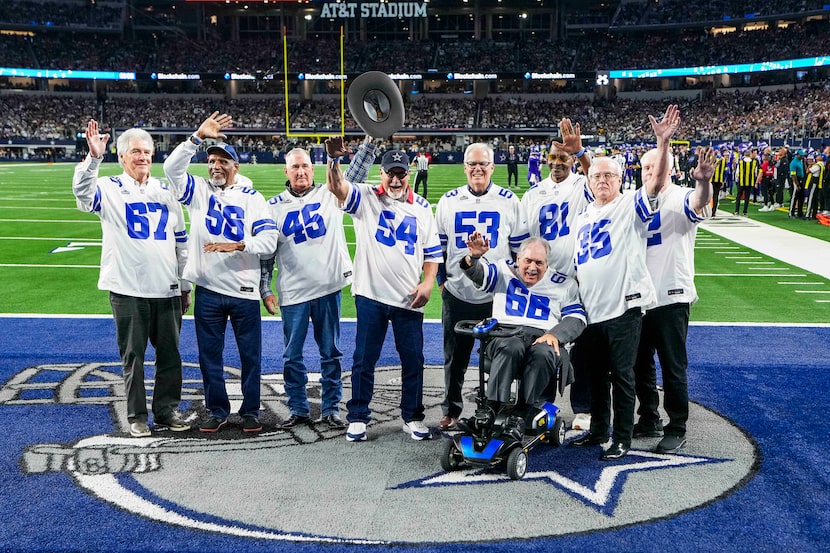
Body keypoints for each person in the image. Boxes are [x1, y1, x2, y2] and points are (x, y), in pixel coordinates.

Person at [569, 104, 678, 461]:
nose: (602, 180)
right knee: (596, 376)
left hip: (623, 306)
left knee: (622, 376)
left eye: (609, 176)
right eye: (596, 176)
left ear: (620, 180)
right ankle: (599, 430)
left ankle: (622, 437)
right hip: (592, 309)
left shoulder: (630, 205)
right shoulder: (584, 215)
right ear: (588, 182)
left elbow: (656, 183)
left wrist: (662, 144)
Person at [72, 120, 191, 438]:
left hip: (166, 288)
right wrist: (93, 158)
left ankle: (166, 411)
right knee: (134, 357)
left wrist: (185, 285)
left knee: (170, 356)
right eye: (136, 151)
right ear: (122, 156)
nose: (143, 157)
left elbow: (181, 242)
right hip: (127, 289)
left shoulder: (167, 192)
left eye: (147, 152)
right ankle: (137, 416)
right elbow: (82, 193)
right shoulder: (109, 187)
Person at [163, 112, 278, 434]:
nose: (215, 166)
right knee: (209, 357)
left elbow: (269, 240)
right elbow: (171, 168)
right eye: (211, 160)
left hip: (244, 290)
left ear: (235, 167)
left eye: (222, 161)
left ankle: (251, 411)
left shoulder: (253, 198)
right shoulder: (198, 191)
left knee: (250, 356)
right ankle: (217, 410)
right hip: (209, 290)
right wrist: (197, 138)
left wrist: (239, 245)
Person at [325, 135, 442, 442]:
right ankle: (358, 417)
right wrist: (333, 161)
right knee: (364, 359)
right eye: (390, 173)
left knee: (414, 360)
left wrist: (428, 282)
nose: (396, 179)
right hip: (371, 295)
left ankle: (412, 417)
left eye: (401, 173)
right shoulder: (366, 196)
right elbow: (337, 188)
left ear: (408, 174)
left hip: (409, 298)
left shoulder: (423, 207)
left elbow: (432, 253)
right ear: (381, 173)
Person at [434, 143, 529, 431]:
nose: (478, 169)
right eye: (472, 164)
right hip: (458, 292)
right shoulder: (448, 201)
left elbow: (519, 250)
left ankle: (497, 408)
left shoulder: (509, 200)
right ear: (464, 167)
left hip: (496, 294)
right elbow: (438, 249)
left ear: (492, 167)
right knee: (455, 357)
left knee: (502, 354)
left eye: (483, 164)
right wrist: (442, 283)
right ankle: (451, 409)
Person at [259, 147, 352, 430]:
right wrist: (265, 288)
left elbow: (357, 173)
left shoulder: (330, 193)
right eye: (295, 167)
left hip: (327, 287)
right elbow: (267, 254)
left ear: (313, 169)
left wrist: (343, 155)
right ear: (286, 171)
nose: (301, 172)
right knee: (292, 356)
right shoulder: (273, 206)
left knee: (331, 353)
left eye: (305, 167)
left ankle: (331, 408)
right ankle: (298, 408)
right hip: (293, 291)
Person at [633, 144, 714, 454]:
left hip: (671, 293)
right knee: (639, 363)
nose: (650, 173)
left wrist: (704, 182)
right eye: (646, 168)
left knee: (672, 365)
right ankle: (649, 417)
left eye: (656, 167)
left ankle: (677, 426)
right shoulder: (636, 199)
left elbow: (699, 202)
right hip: (640, 296)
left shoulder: (681, 195)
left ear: (669, 169)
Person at [459, 234, 586, 425]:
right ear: (518, 258)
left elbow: (577, 317)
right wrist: (474, 258)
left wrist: (555, 334)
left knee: (543, 353)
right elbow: (477, 273)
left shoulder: (564, 284)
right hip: (505, 334)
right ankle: (490, 409)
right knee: (512, 346)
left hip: (543, 336)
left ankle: (524, 413)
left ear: (547, 264)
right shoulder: (503, 270)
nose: (532, 267)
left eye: (539, 263)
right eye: (528, 261)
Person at [521, 117, 593, 430]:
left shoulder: (582, 185)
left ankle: (584, 408)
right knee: (544, 341)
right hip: (544, 280)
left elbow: (596, 178)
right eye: (553, 157)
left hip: (577, 277)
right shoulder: (533, 193)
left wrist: (581, 153)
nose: (557, 163)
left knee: (583, 344)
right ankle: (542, 405)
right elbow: (523, 237)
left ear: (572, 161)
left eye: (563, 158)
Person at [734, 148, 759, 216]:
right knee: (747, 197)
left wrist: (737, 180)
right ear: (750, 155)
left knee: (738, 196)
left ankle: (736, 211)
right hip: (750, 182)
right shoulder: (754, 162)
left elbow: (737, 173)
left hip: (741, 182)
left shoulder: (740, 162)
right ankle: (745, 212)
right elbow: (755, 173)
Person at [789, 149, 806, 219]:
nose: (802, 157)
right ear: (797, 155)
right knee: (794, 197)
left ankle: (800, 213)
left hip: (801, 179)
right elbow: (793, 175)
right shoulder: (793, 163)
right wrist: (797, 184)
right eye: (801, 155)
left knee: (801, 197)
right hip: (795, 180)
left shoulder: (800, 161)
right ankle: (791, 213)